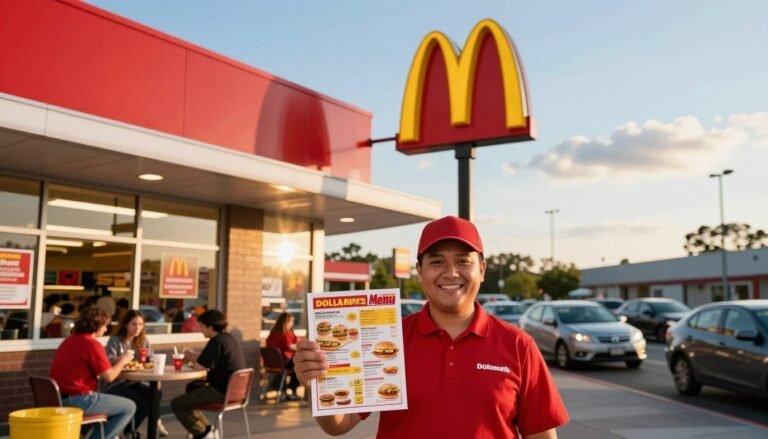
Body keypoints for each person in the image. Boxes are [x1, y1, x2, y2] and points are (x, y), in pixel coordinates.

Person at [294, 216, 570, 438]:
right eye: (437, 261)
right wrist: (319, 382)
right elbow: (338, 425)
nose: (450, 273)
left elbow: (540, 434)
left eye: (463, 261)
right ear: (420, 271)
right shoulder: (387, 341)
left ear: (482, 270)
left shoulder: (518, 344)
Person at [49, 306, 136, 439]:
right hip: (79, 400)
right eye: (105, 325)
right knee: (129, 406)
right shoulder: (92, 344)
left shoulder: (68, 341)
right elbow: (109, 376)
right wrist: (123, 360)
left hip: (58, 399)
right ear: (96, 325)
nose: (106, 329)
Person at [171, 309, 246, 439]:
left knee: (177, 404)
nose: (200, 330)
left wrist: (189, 356)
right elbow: (209, 358)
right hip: (236, 392)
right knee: (192, 388)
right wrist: (194, 356)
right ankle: (208, 429)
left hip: (220, 391)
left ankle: (203, 434)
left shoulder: (216, 341)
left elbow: (201, 365)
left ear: (210, 327)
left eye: (201, 326)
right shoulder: (228, 339)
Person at [104, 309, 169, 437]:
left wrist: (151, 360)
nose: (137, 328)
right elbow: (109, 361)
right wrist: (123, 359)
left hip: (135, 382)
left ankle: (145, 425)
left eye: (140, 324)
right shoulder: (115, 340)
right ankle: (130, 430)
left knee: (156, 394)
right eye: (134, 324)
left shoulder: (143, 341)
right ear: (125, 325)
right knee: (142, 400)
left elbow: (150, 359)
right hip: (117, 383)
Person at [265, 312, 301, 401]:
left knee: (295, 363)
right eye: (292, 321)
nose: (292, 323)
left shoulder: (272, 333)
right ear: (287, 322)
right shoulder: (284, 334)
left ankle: (284, 391)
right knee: (299, 364)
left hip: (272, 364)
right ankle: (293, 391)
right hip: (283, 362)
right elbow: (291, 347)